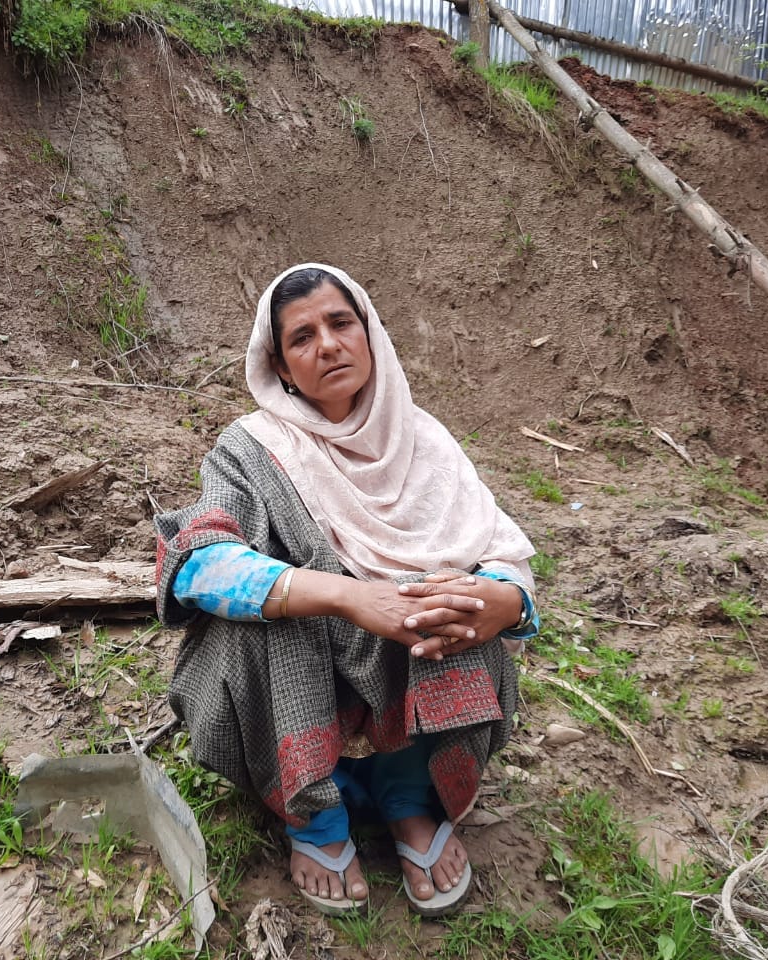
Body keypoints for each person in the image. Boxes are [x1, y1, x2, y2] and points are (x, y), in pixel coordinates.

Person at [153, 264, 539, 917]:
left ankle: (408, 799)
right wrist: (342, 594)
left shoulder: (427, 441)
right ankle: (316, 818)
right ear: (279, 367)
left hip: (404, 662)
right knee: (277, 620)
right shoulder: (251, 449)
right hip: (301, 678)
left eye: (340, 323)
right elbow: (197, 560)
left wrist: (503, 601)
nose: (327, 345)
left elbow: (500, 555)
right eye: (301, 338)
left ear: (370, 332)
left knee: (450, 604)